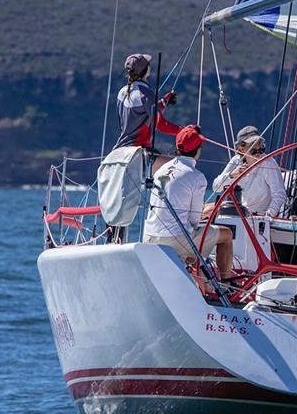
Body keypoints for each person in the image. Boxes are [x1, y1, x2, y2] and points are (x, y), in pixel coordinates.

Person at [143, 125, 233, 281]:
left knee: (193, 238)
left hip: (149, 235)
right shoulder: (196, 177)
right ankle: (226, 285)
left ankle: (200, 282)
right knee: (226, 234)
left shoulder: (161, 169)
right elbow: (194, 220)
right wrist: (206, 212)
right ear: (198, 149)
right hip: (175, 239)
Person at [212, 127, 287, 217]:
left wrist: (269, 214)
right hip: (236, 214)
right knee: (207, 210)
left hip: (257, 218)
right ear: (241, 149)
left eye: (261, 148)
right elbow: (215, 187)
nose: (258, 152)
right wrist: (231, 175)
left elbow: (280, 194)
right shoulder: (235, 161)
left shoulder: (268, 163)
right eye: (253, 150)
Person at [113, 53, 181, 150]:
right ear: (145, 70)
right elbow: (160, 124)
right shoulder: (146, 94)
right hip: (139, 149)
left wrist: (163, 103)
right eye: (148, 64)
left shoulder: (122, 92)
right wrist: (183, 130)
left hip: (121, 147)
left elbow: (138, 113)